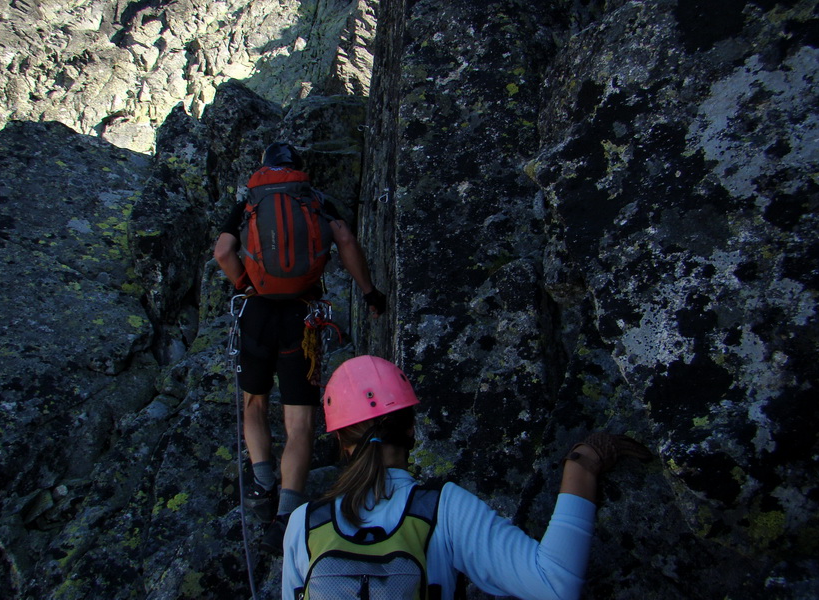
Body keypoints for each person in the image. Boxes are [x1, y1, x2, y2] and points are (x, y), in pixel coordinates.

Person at [282, 355, 652, 599]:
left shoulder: (304, 525)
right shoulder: (443, 509)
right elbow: (555, 584)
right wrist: (581, 466)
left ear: (341, 442)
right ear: (412, 429)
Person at [214, 142, 387, 553]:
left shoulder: (249, 202)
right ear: (298, 169)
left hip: (256, 313)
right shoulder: (315, 200)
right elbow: (343, 239)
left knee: (254, 402)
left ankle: (262, 483)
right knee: (301, 422)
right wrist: (369, 292)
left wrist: (245, 286)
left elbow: (223, 251)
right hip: (302, 319)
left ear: (264, 168)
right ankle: (289, 513)